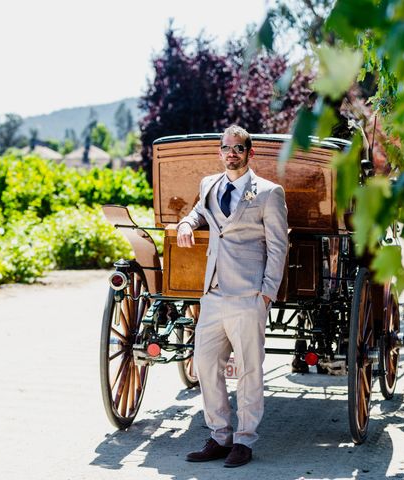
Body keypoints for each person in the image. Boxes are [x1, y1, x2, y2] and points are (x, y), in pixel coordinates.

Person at [176, 125, 288, 467]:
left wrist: (265, 295)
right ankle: (219, 436)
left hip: (248, 295)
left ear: (250, 153)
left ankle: (244, 440)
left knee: (249, 371)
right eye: (226, 148)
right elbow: (200, 211)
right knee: (206, 365)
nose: (231, 153)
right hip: (212, 294)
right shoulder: (209, 184)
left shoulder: (269, 193)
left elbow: (278, 246)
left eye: (238, 148)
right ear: (220, 152)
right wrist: (186, 223)